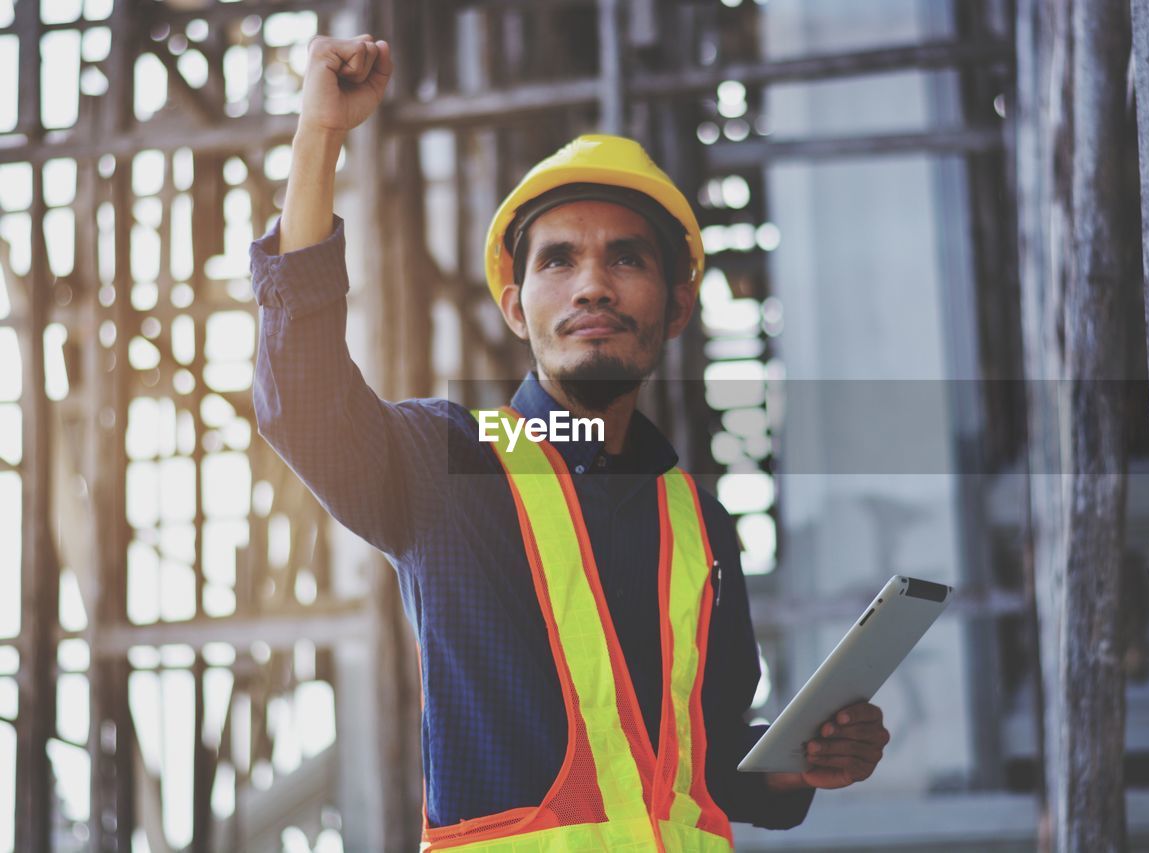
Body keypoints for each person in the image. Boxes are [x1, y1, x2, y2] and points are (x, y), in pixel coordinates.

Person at [251, 33, 890, 851]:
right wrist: (319, 139)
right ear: (517, 309)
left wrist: (800, 761)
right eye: (560, 260)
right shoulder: (446, 468)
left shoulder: (698, 521)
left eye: (626, 258)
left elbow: (701, 763)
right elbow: (299, 396)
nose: (594, 282)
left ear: (676, 309)